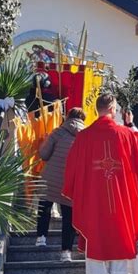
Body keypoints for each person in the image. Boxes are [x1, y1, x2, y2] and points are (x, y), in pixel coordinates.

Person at [62, 93, 138, 274]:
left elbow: (72, 168)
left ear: (96, 110)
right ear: (113, 109)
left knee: (95, 236)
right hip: (120, 199)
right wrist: (131, 126)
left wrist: (77, 191)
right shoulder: (127, 135)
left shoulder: (84, 137)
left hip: (94, 200)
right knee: (120, 235)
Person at [36, 107, 86, 260]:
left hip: (51, 177)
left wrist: (43, 141)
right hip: (71, 180)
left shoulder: (57, 132)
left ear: (67, 117)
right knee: (68, 216)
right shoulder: (86, 136)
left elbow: (44, 155)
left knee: (45, 207)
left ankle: (41, 238)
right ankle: (66, 252)